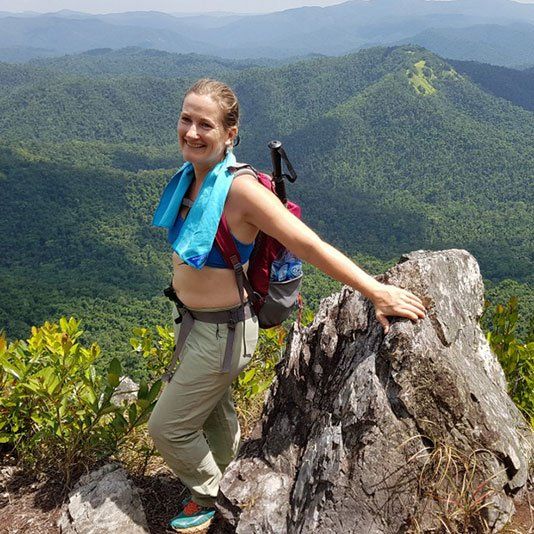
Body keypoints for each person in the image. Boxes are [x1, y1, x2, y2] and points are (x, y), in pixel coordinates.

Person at [148, 78, 426, 533]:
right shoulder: (192, 180)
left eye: (206, 124)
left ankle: (211, 496)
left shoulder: (241, 192)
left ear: (230, 134)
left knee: (167, 428)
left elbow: (309, 244)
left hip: (224, 334)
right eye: (186, 119)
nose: (192, 132)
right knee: (211, 415)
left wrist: (374, 290)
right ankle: (227, 470)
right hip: (197, 326)